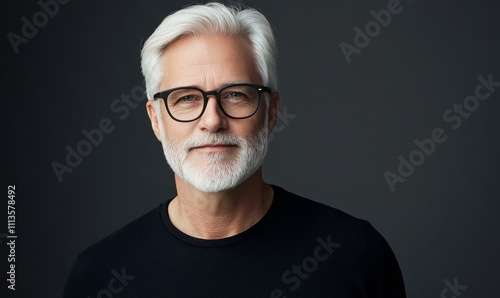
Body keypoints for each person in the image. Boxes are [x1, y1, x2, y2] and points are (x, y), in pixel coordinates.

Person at [63, 2, 406, 297]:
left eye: (236, 95)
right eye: (186, 99)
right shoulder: (100, 275)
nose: (212, 121)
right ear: (156, 119)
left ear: (271, 111)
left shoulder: (355, 257)